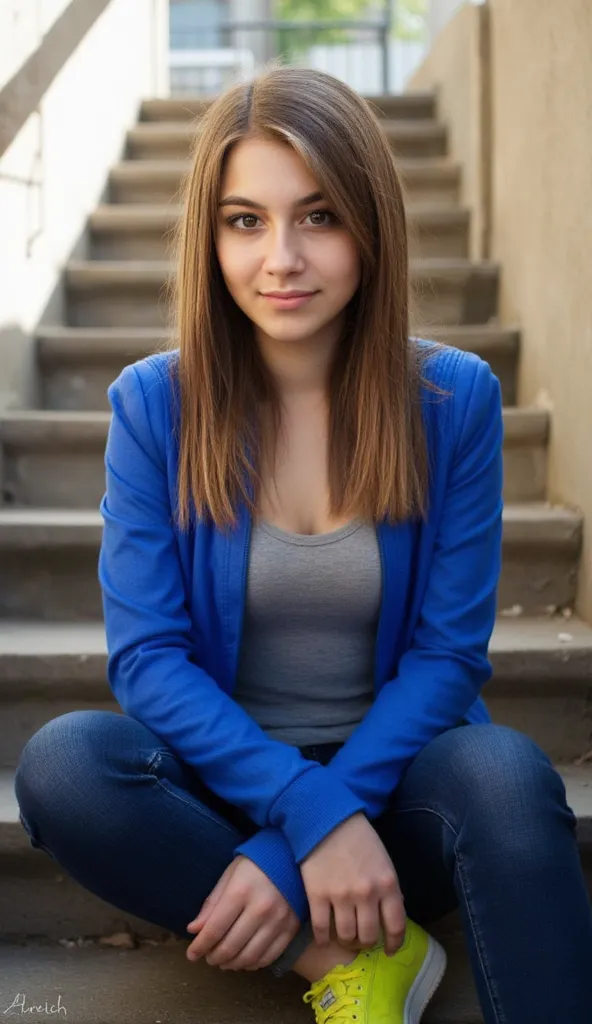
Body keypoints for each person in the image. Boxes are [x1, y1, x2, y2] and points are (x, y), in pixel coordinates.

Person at [14, 63, 592, 1023]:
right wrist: (297, 814)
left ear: (371, 225)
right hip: (220, 801)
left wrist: (321, 823)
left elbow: (448, 657)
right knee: (65, 765)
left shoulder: (454, 402)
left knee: (508, 777)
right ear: (211, 238)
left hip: (397, 792)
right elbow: (149, 662)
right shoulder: (155, 405)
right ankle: (342, 952)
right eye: (246, 221)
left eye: (318, 216)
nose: (281, 256)